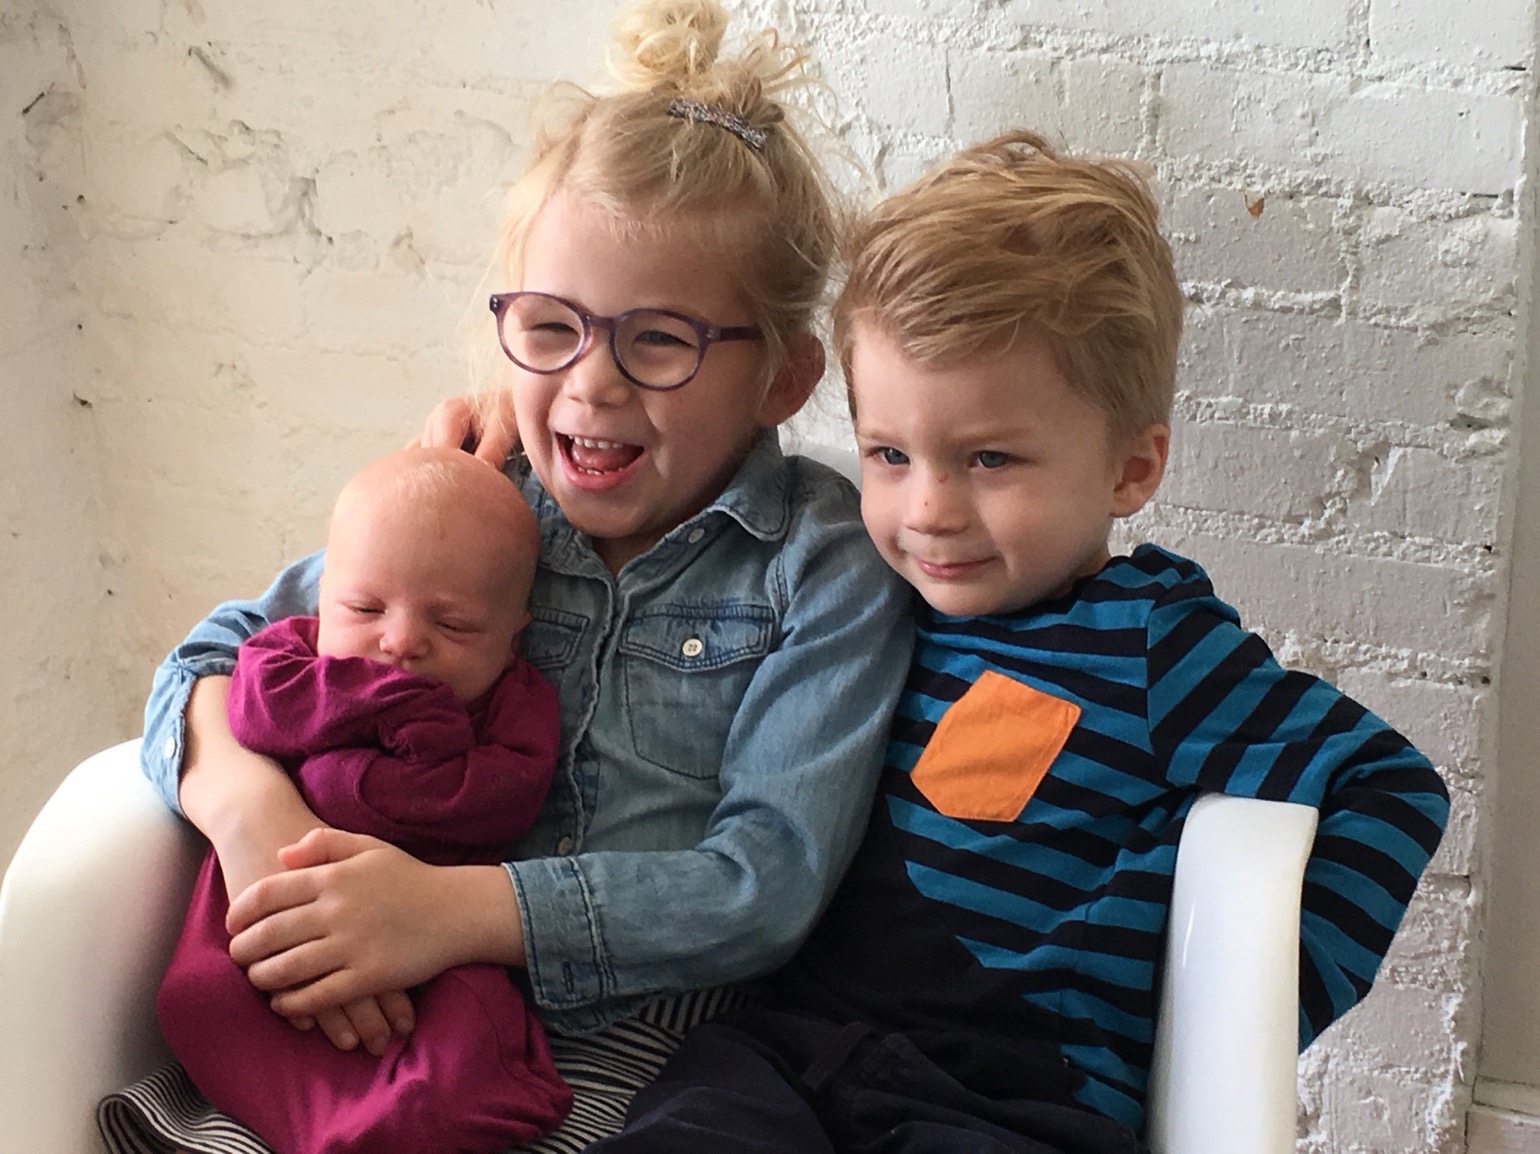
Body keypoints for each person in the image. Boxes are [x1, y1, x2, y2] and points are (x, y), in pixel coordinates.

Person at [95, 3, 912, 1153]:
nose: (591, 386)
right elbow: (207, 659)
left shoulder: (820, 563)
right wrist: (249, 812)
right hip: (391, 991)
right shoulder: (483, 500)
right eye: (550, 325)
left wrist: (447, 910)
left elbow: (763, 884)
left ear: (782, 376)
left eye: (659, 339)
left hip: (645, 1029)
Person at [582, 132, 1453, 1154]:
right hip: (784, 1053)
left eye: (989, 458)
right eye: (889, 453)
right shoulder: (854, 592)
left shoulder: (1148, 646)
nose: (927, 509)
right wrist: (496, 438)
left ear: (1130, 469)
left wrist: (1241, 1019)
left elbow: (1391, 789)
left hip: (1006, 1099)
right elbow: (687, 490)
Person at [154, 446, 571, 1154]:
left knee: (460, 1065)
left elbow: (503, 802)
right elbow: (252, 712)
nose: (400, 641)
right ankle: (312, 1121)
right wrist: (383, 706)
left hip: (431, 934)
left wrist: (418, 736)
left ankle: (379, 1128)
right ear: (321, 601)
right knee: (197, 999)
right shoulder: (287, 659)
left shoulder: (517, 705)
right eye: (364, 608)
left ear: (511, 641)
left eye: (453, 625)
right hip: (268, 905)